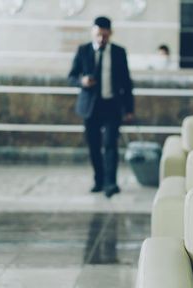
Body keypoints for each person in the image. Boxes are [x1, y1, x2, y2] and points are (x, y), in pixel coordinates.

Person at [68, 16, 134, 198]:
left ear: (110, 34)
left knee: (110, 144)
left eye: (104, 36)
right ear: (92, 32)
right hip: (90, 107)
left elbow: (127, 83)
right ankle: (99, 180)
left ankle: (110, 183)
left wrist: (129, 109)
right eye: (98, 35)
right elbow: (71, 76)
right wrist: (82, 81)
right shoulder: (83, 51)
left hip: (112, 105)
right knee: (94, 145)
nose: (101, 39)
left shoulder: (119, 52)